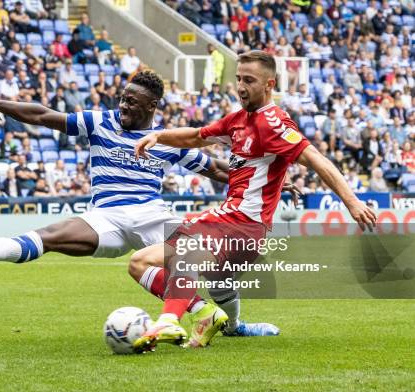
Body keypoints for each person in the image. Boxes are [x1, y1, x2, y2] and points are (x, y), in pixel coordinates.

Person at [0, 69, 299, 335]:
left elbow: (220, 169)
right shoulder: (100, 122)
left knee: (212, 267)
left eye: (131, 101)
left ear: (152, 106)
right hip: (105, 216)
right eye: (123, 99)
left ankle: (232, 324)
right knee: (50, 234)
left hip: (151, 216)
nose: (123, 105)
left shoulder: (166, 140)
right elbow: (41, 115)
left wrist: (276, 185)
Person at [130, 51, 377, 353]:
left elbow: (315, 159)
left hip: (239, 223)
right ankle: (231, 326)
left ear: (269, 84)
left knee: (156, 260)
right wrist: (158, 136)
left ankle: (173, 318)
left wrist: (352, 202)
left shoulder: (272, 123)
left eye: (249, 80)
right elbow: (195, 136)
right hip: (243, 230)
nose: (241, 86)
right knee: (203, 276)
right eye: (238, 79)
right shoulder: (237, 121)